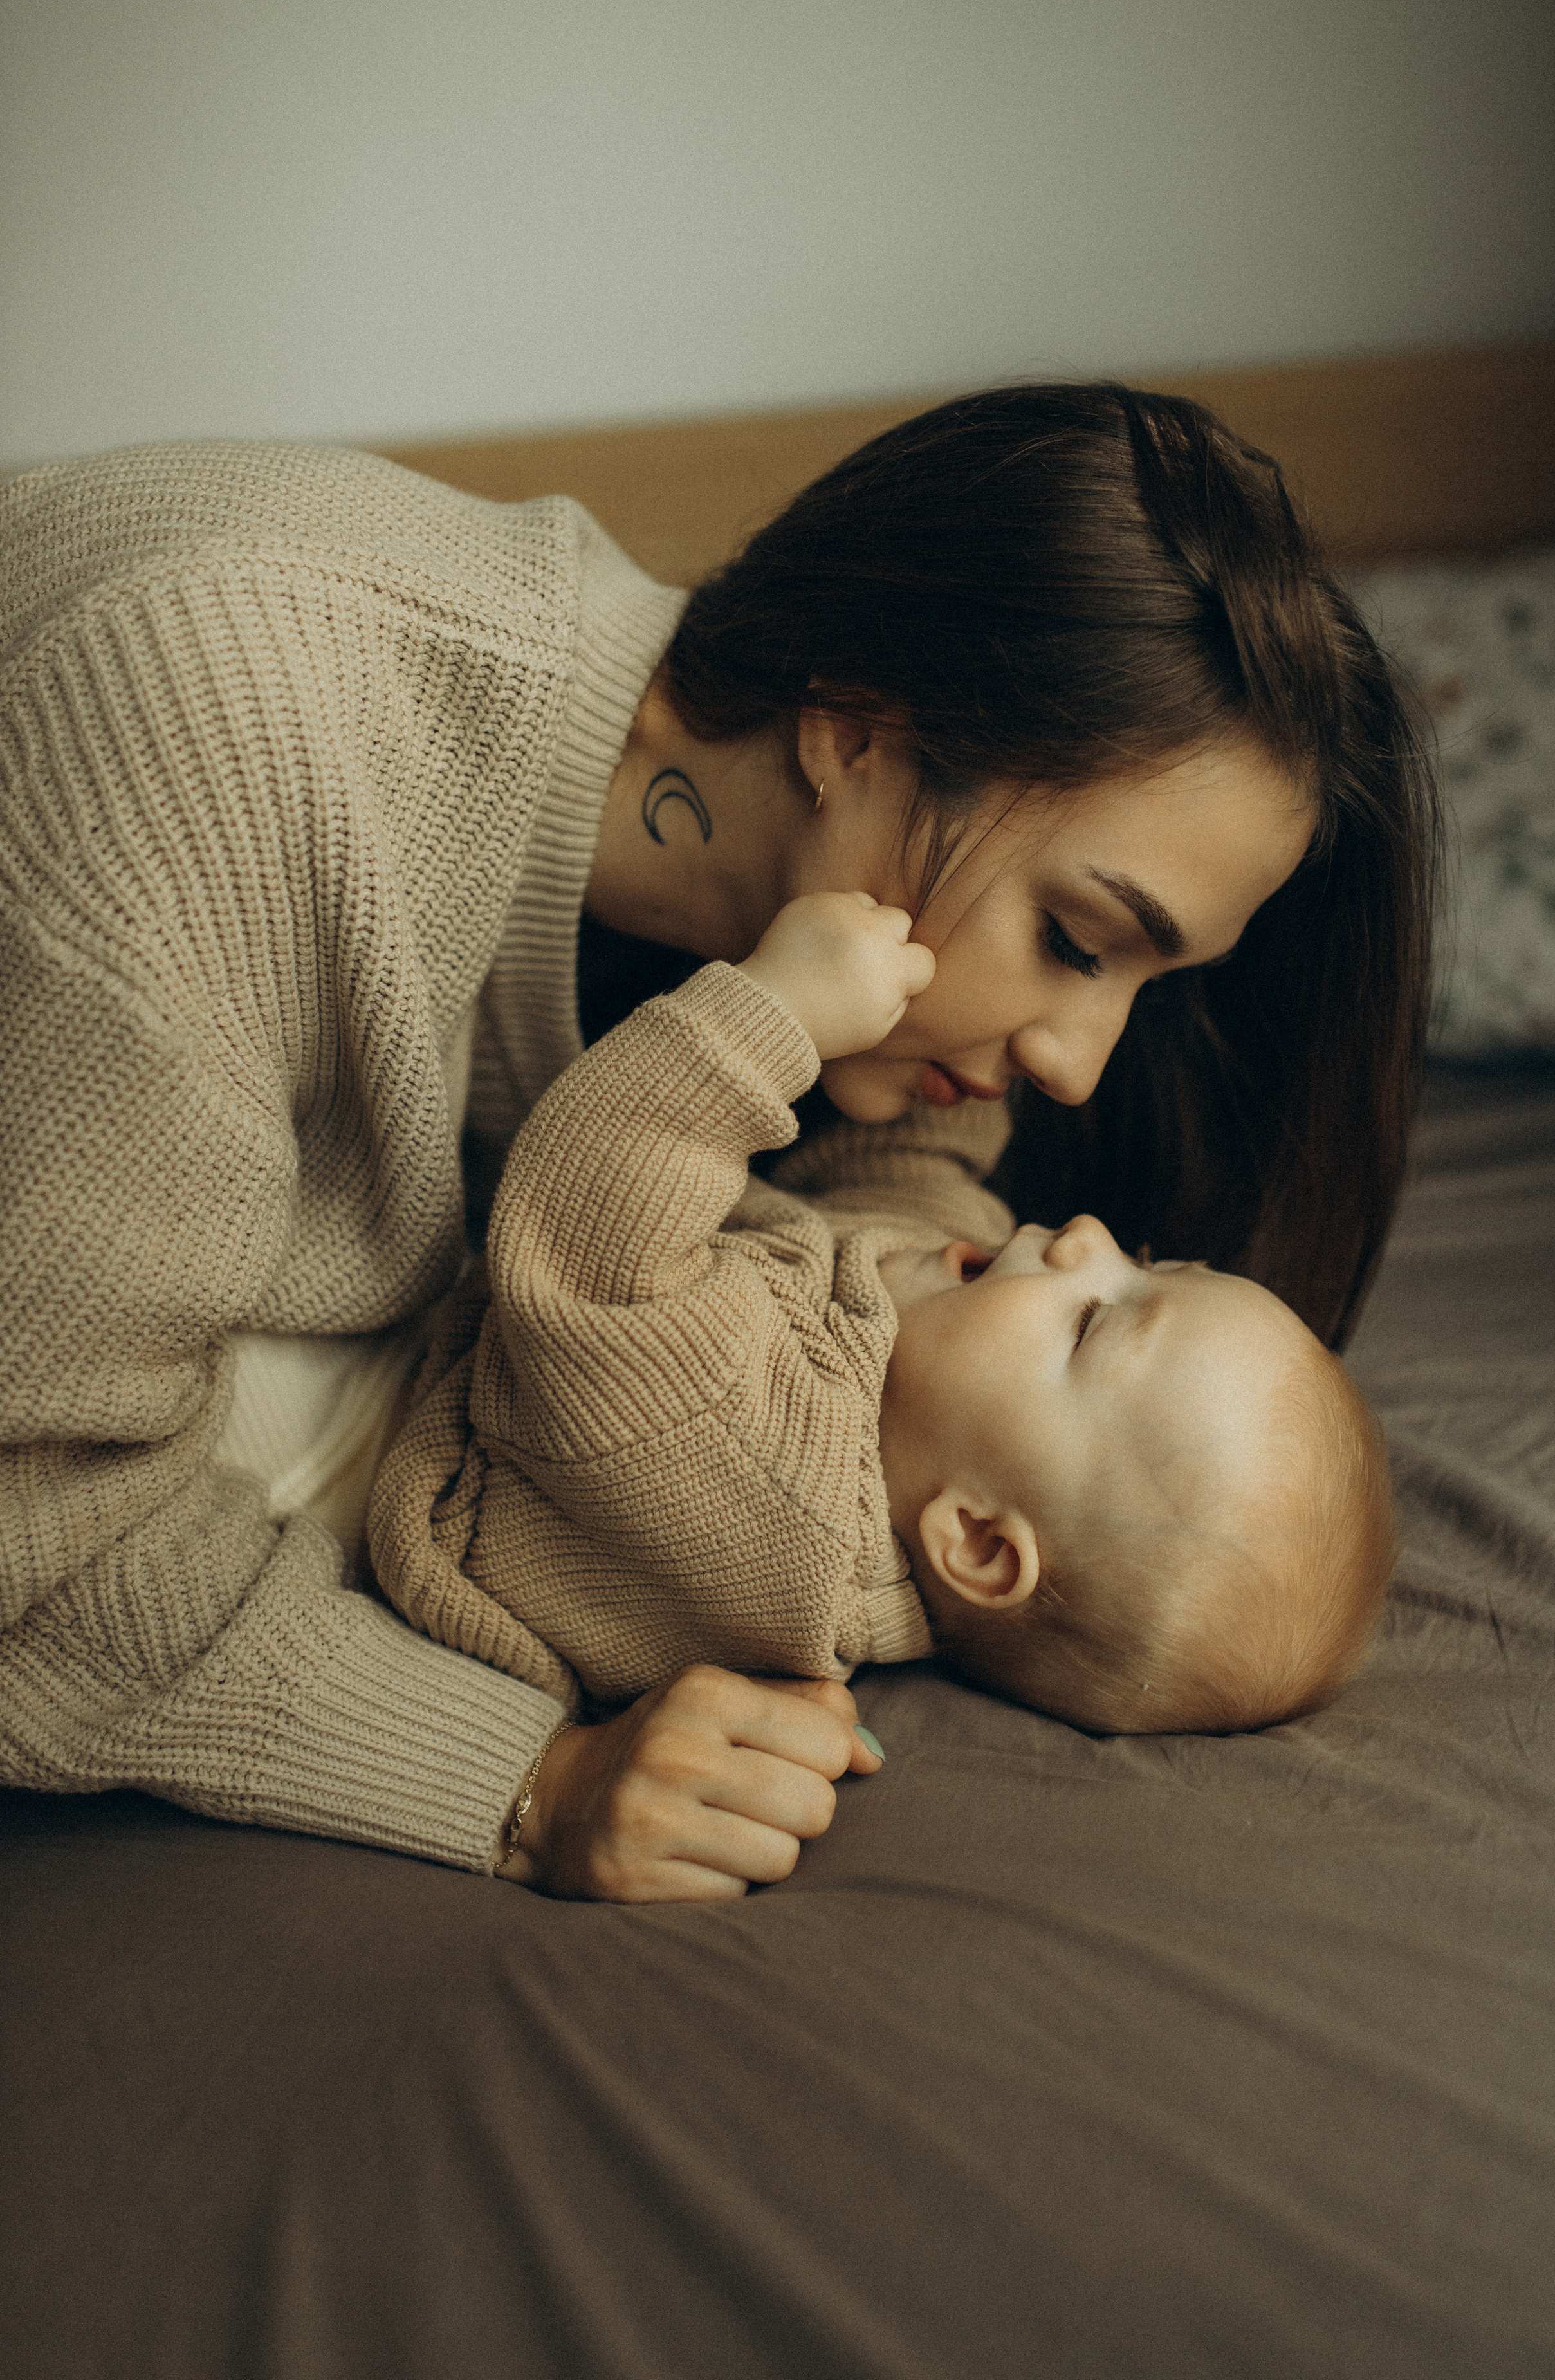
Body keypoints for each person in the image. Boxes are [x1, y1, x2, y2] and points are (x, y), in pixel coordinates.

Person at [0, 384, 1437, 1901]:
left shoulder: (819, 984)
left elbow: (852, 1228)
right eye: (1074, 941)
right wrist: (525, 1779)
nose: (1080, 1070)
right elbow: (29, 1530)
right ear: (852, 730)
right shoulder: (219, 737)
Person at [368, 889, 1394, 1827]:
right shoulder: (943, 1348)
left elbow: (586, 1231)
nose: (1087, 1238)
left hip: (377, 1444)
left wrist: (775, 1017)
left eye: (1095, 1321)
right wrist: (962, 1012)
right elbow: (904, 1176)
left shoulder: (764, 1476)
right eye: (1149, 1262)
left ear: (979, 1543)